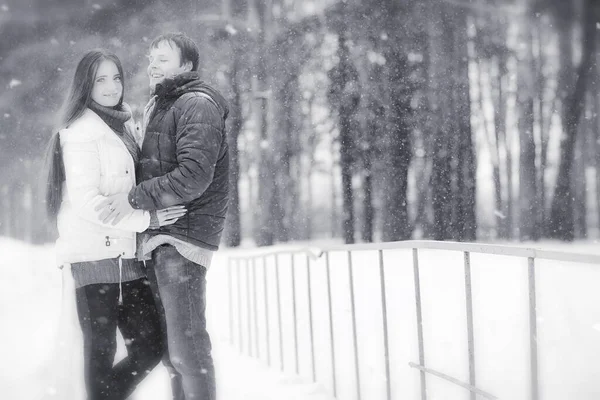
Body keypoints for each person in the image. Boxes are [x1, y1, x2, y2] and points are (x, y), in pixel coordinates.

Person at [44, 48, 187, 400]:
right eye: (100, 80)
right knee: (100, 352)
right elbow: (89, 202)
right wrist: (146, 220)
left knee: (150, 346)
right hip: (94, 256)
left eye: (116, 77)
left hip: (126, 256)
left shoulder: (121, 125)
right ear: (85, 86)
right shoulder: (80, 133)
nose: (111, 87)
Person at [96, 32, 230, 400]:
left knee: (188, 348)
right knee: (174, 352)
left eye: (163, 59)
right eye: (151, 57)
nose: (152, 64)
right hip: (161, 235)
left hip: (182, 237)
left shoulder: (196, 104)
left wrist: (135, 200)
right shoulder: (163, 104)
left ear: (186, 66)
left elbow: (193, 176)